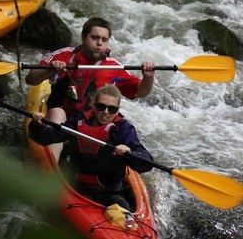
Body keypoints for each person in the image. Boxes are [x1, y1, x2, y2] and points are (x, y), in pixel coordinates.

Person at [25, 16, 155, 160]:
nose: (99, 43)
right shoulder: (64, 55)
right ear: (83, 37)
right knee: (57, 112)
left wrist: (148, 77)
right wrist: (51, 70)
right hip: (64, 120)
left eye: (104, 40)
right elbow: (31, 79)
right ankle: (51, 168)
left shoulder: (114, 66)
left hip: (93, 123)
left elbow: (140, 92)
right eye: (94, 38)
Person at [29, 84, 153, 213]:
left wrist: (129, 153)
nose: (105, 112)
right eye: (101, 106)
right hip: (73, 185)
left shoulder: (123, 130)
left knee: (123, 205)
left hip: (107, 193)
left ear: (117, 110)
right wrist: (36, 125)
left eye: (111, 109)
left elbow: (147, 163)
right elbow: (46, 138)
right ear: (93, 105)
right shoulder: (79, 120)